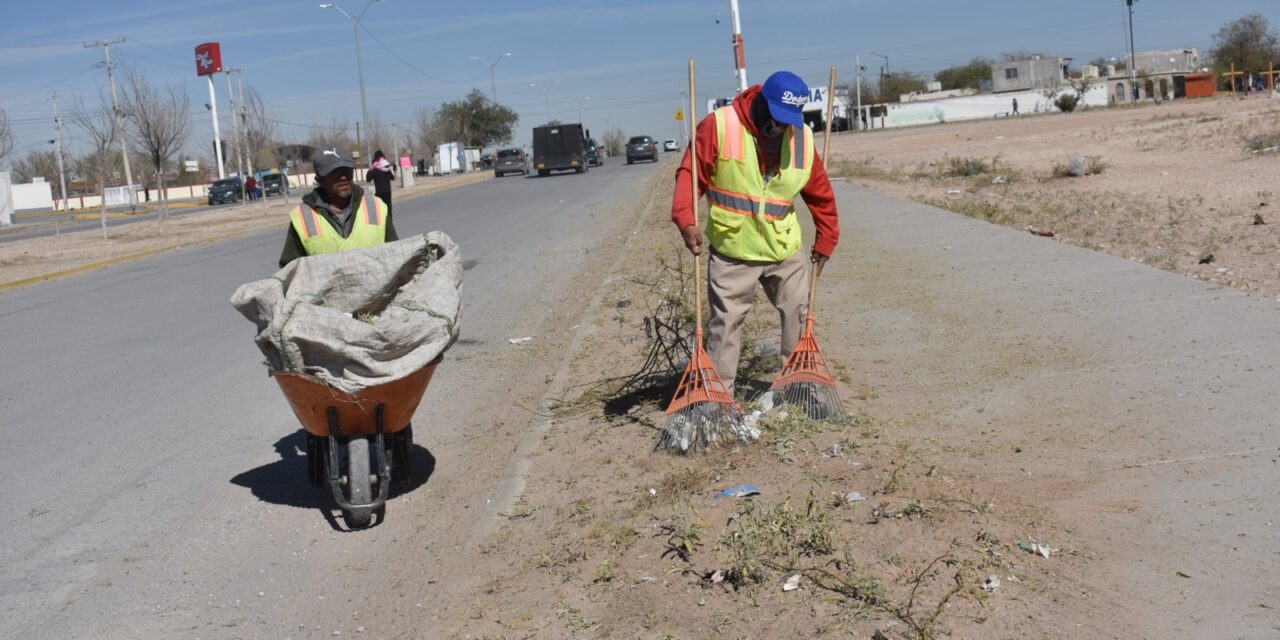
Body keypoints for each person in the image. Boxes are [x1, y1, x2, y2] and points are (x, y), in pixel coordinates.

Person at [671, 70, 839, 396]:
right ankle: (717, 400)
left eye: (788, 120)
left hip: (783, 249)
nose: (779, 127)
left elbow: (820, 193)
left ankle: (797, 387)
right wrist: (686, 219)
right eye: (776, 117)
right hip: (733, 250)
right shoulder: (719, 126)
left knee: (798, 312)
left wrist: (827, 236)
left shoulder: (801, 137)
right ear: (761, 101)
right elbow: (690, 174)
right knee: (726, 324)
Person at [278, 145, 397, 268]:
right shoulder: (303, 218)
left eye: (347, 170)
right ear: (320, 180)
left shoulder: (376, 207)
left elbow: (396, 256)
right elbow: (290, 272)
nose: (343, 177)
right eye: (334, 173)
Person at [368, 150, 396, 215]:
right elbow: (393, 177)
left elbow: (368, 178)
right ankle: (389, 224)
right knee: (388, 210)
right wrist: (389, 169)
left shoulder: (375, 169)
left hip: (379, 193)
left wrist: (371, 168)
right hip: (387, 192)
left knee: (380, 212)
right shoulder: (387, 168)